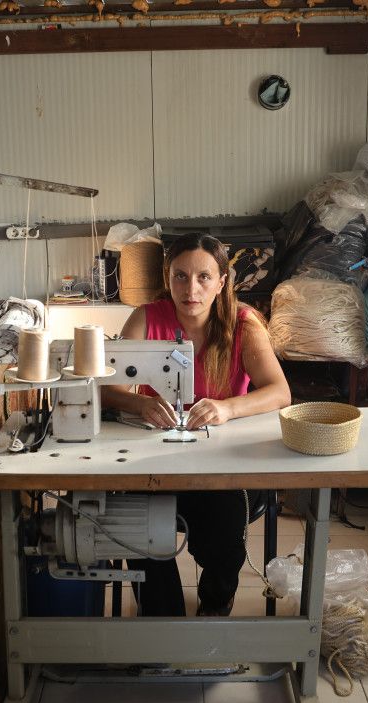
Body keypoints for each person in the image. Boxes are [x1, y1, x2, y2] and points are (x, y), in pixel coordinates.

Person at [102, 232, 291, 616]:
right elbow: (107, 389)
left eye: (204, 277)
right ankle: (162, 616)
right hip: (158, 465)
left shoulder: (243, 325)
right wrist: (141, 403)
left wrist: (227, 409)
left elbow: (280, 392)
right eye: (181, 276)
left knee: (226, 522)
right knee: (136, 520)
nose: (191, 289)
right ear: (168, 278)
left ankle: (216, 603)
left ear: (222, 282)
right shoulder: (146, 318)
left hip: (223, 467)